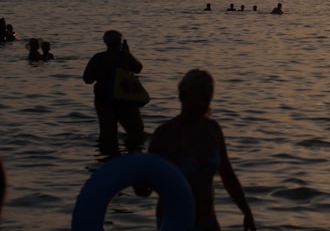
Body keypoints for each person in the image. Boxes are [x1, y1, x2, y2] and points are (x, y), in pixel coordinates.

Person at [143, 69, 256, 231]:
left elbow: (228, 175)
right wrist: (135, 174)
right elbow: (146, 189)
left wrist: (247, 212)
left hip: (208, 222)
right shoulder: (165, 134)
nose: (202, 104)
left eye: (206, 99)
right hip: (174, 223)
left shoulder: (213, 130)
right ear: (182, 96)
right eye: (196, 99)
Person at [82, 30, 145, 151]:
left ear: (105, 43)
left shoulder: (98, 58)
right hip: (125, 98)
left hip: (103, 99)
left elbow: (87, 79)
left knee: (108, 134)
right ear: (120, 42)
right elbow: (138, 68)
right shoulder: (125, 55)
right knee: (135, 133)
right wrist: (127, 54)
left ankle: (108, 159)